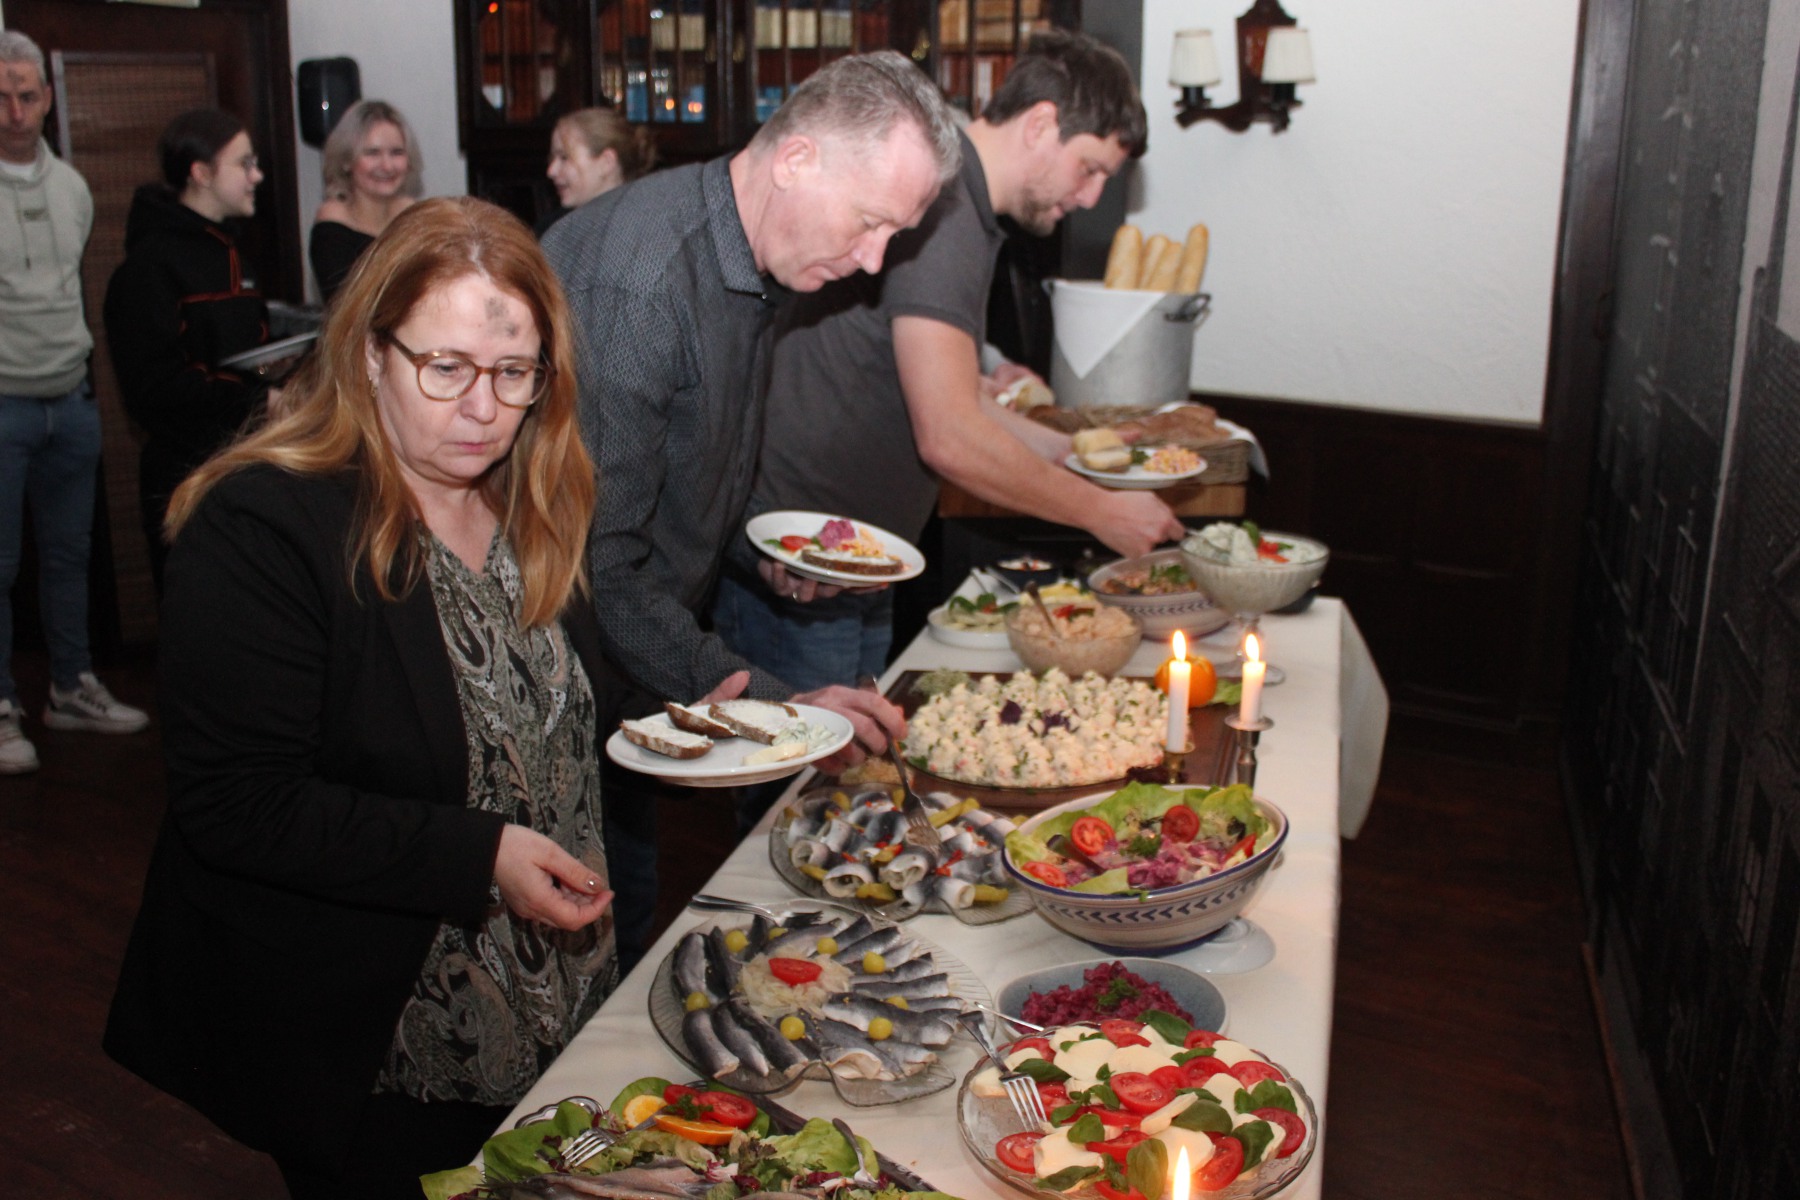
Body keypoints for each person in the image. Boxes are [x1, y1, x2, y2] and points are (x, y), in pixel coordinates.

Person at [104, 196, 641, 1199]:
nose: (483, 408)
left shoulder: (527, 499)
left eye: (513, 372)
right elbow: (239, 805)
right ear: (368, 355)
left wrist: (705, 710)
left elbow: (543, 711)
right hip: (376, 1039)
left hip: (551, 1000)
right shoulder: (266, 526)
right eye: (446, 368)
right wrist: (480, 854)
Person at [542, 49, 958, 963]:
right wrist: (786, 706)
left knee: (628, 901)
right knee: (599, 930)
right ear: (796, 158)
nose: (874, 260)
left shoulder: (754, 252)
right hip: (550, 674)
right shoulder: (645, 284)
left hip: (620, 659)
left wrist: (764, 557)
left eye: (895, 235)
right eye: (871, 223)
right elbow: (599, 572)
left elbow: (690, 471)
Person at [714, 30, 1183, 696]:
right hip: (801, 560)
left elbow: (953, 392)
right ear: (1040, 123)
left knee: (858, 753)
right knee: (804, 762)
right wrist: (1101, 511)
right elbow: (950, 436)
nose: (1090, 196)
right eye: (1090, 168)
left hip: (852, 557)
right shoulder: (952, 208)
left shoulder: (963, 202)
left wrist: (1063, 449)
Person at [0, 31, 150, 773]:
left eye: (27, 95)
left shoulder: (73, 188)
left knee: (68, 557)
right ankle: (2, 708)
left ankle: (70, 687)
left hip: (71, 398)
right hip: (4, 403)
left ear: (48, 99)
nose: (14, 111)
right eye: (1, 96)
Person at [103, 107, 272, 593]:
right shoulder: (148, 269)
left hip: (246, 464)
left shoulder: (232, 252)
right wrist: (260, 399)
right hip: (186, 478)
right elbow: (157, 390)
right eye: (244, 163)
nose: (257, 176)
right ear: (201, 173)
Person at [309, 98, 421, 303]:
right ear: (346, 160)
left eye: (396, 153)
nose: (387, 166)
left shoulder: (414, 214)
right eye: (372, 153)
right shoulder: (333, 222)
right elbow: (346, 306)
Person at [543, 106, 655, 230]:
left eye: (564, 157)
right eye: (552, 158)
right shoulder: (554, 229)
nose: (551, 171)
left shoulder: (642, 228)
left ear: (606, 162)